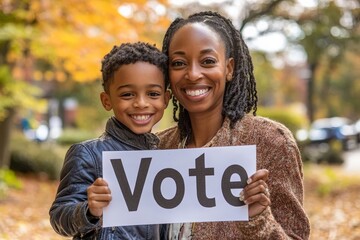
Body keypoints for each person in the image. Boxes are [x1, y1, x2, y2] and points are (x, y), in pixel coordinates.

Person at [157, 11, 310, 239]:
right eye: (179, 63)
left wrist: (259, 221)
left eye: (207, 61)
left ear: (228, 68)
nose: (193, 74)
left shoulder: (270, 143)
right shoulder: (156, 148)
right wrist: (91, 213)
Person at [49, 42, 171, 239]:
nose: (141, 103)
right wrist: (88, 210)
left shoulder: (168, 157)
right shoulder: (88, 154)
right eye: (127, 94)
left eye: (153, 94)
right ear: (107, 100)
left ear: (166, 99)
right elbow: (59, 217)